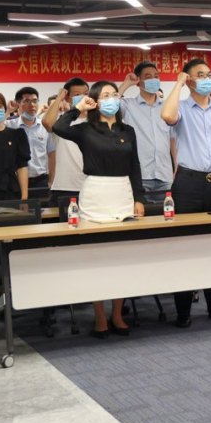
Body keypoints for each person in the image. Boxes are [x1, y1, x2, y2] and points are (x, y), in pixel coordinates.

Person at [53, 80, 146, 338]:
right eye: (105, 95)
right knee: (96, 257)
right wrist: (79, 108)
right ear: (95, 100)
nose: (111, 98)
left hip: (123, 193)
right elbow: (58, 127)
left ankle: (117, 314)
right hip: (95, 193)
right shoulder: (85, 129)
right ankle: (100, 315)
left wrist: (139, 198)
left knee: (121, 257)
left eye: (114, 94)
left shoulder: (128, 130)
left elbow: (135, 165)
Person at [161, 58, 211, 327]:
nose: (207, 79)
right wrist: (178, 84)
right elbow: (167, 116)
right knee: (185, 247)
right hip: (188, 183)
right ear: (189, 79)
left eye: (209, 74)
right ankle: (183, 309)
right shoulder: (182, 108)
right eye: (200, 75)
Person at [118, 61, 175, 204]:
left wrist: (176, 170)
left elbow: (173, 140)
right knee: (140, 214)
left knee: (168, 214)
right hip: (140, 175)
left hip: (165, 174)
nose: (154, 80)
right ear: (138, 81)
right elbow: (111, 105)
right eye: (148, 77)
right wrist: (126, 84)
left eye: (156, 76)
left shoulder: (167, 107)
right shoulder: (129, 105)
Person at [43, 77, 90, 207]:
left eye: (86, 93)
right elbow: (47, 123)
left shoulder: (95, 121)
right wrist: (59, 97)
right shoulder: (61, 122)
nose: (83, 97)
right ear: (68, 98)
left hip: (91, 185)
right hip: (65, 186)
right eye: (77, 94)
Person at [8, 87, 49, 190]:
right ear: (18, 103)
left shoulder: (45, 126)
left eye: (35, 101)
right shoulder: (10, 126)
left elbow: (52, 153)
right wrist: (8, 111)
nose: (32, 105)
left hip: (41, 180)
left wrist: (51, 180)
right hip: (15, 180)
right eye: (27, 101)